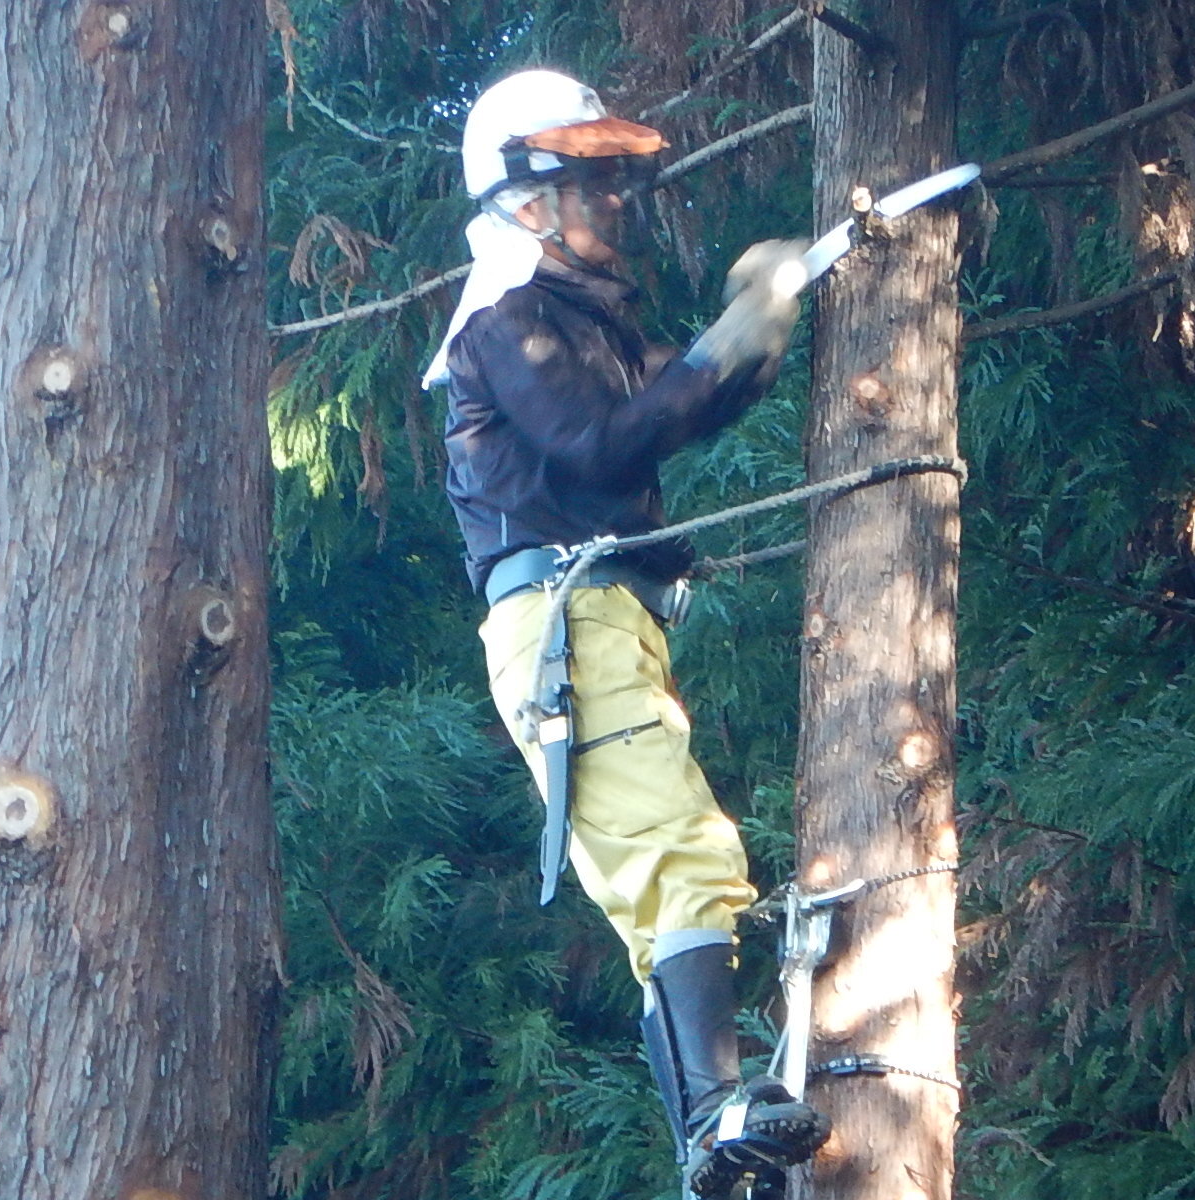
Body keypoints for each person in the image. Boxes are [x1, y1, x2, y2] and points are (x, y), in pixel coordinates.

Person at [421, 69, 829, 1196]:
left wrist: (753, 337)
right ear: (524, 202)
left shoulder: (569, 322)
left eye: (614, 181)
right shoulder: (505, 319)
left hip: (599, 616)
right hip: (569, 619)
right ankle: (718, 1108)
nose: (615, 202)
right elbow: (605, 444)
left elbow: (661, 406)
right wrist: (724, 342)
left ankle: (714, 1136)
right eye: (589, 182)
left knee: (659, 884)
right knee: (677, 852)